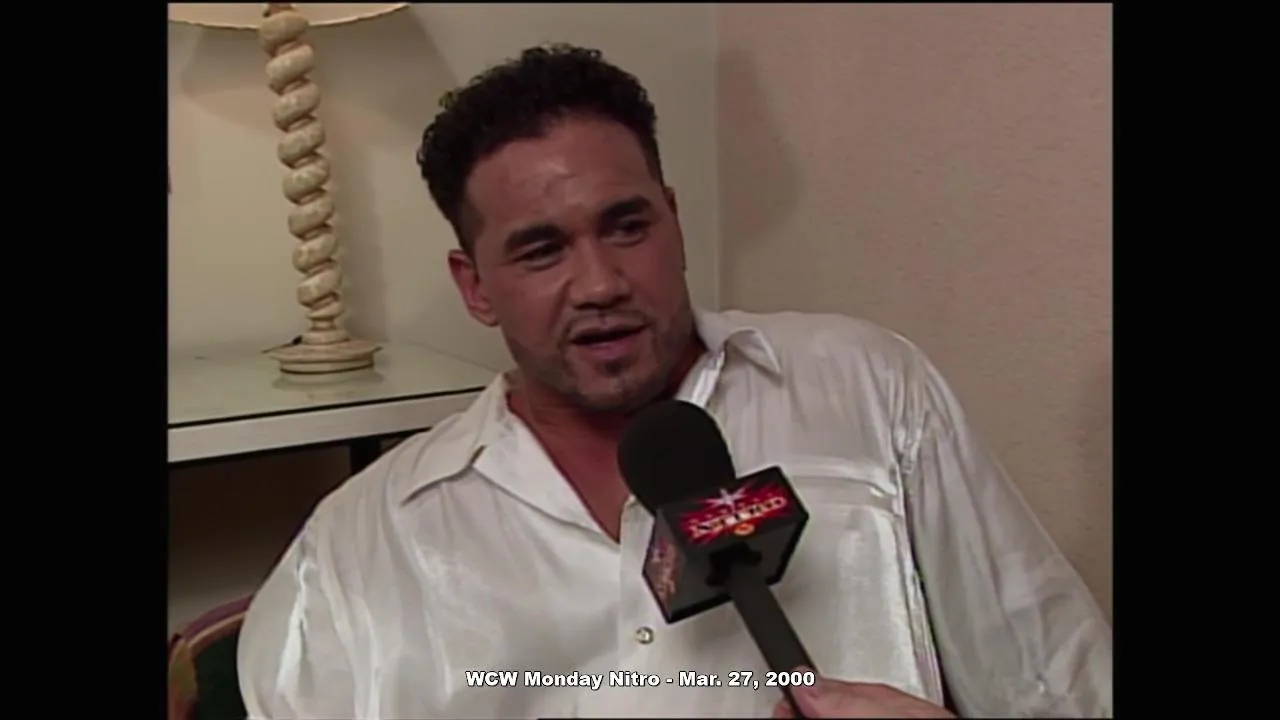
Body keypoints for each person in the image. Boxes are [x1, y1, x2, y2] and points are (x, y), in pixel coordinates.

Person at [237, 43, 1112, 719]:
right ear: (476, 288)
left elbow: (1062, 685)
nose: (600, 284)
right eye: (542, 250)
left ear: (676, 222)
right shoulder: (360, 544)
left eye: (627, 226)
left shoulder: (872, 391)